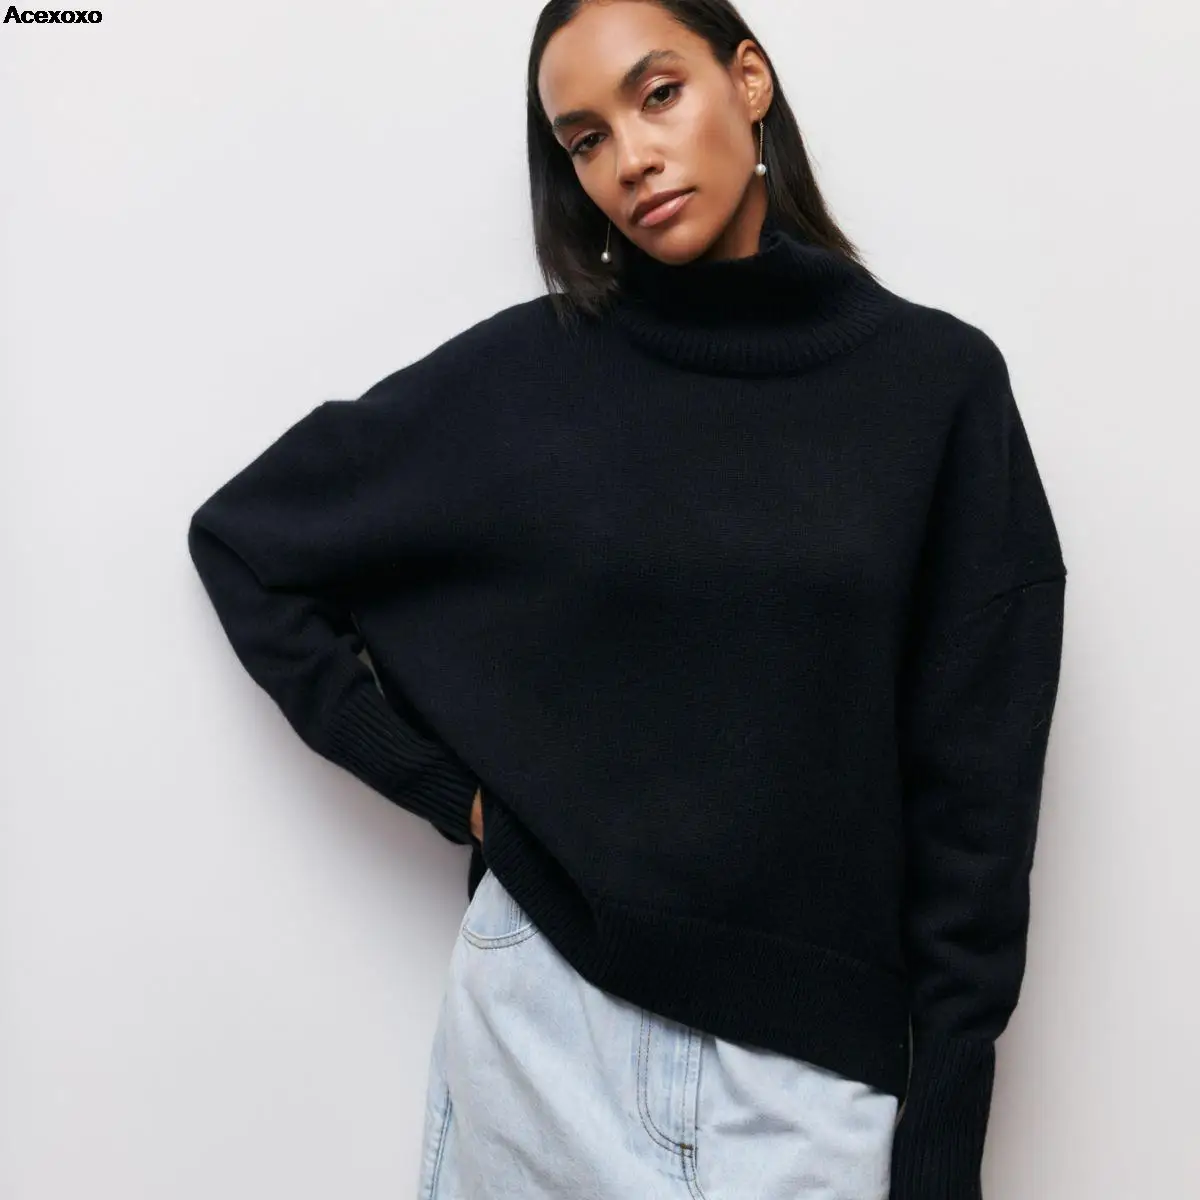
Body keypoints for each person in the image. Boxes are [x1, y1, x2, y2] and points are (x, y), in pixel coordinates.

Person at [186, 1, 1068, 1196]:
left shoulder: (935, 389)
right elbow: (250, 541)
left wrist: (946, 1128)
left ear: (747, 80)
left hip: (807, 1077)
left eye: (658, 95)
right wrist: (452, 797)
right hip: (542, 1032)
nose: (631, 159)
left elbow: (979, 789)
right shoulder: (530, 375)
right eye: (585, 139)